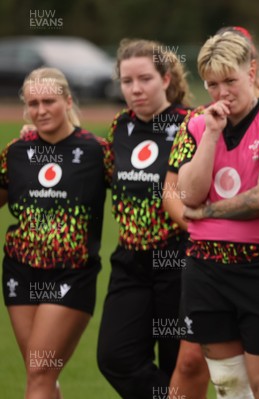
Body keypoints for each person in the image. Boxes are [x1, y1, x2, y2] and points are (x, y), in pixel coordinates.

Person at [172, 32, 259, 398]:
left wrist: (205, 212)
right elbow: (188, 194)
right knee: (227, 384)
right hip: (206, 268)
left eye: (230, 80)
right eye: (212, 84)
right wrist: (211, 135)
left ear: (252, 71)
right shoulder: (198, 124)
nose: (222, 92)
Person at [94, 39, 203, 399]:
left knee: (179, 363)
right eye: (127, 81)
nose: (135, 89)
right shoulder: (120, 126)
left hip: (179, 258)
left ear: (166, 79)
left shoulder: (192, 124)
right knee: (115, 357)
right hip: (129, 262)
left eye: (145, 79)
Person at [1, 67, 111, 398]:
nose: (40, 110)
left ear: (68, 101)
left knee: (39, 368)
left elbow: (137, 191)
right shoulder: (16, 152)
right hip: (19, 270)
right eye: (33, 104)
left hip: (71, 273)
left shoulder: (97, 151)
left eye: (49, 101)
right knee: (43, 375)